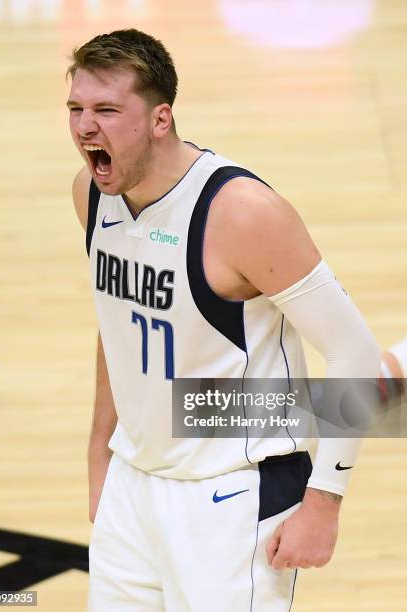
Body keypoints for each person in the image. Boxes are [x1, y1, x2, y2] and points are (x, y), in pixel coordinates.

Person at [67, 29, 381, 611]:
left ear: (161, 119)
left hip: (232, 497)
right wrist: (99, 456)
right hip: (134, 488)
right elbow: (115, 326)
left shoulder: (241, 213)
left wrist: (324, 502)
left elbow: (355, 354)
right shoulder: (92, 194)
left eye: (107, 110)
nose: (86, 127)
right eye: (76, 108)